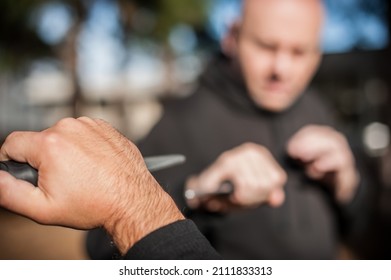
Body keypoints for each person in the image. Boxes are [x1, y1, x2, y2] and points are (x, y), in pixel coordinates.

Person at [88, 0, 373, 259]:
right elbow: (100, 247)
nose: (281, 69)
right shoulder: (183, 119)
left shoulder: (316, 108)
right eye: (266, 46)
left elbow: (365, 229)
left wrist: (348, 184)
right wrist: (197, 193)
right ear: (232, 37)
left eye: (299, 52)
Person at [0, 117, 220, 259]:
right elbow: (97, 248)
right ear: (230, 42)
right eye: (256, 46)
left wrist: (132, 208)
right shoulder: (177, 121)